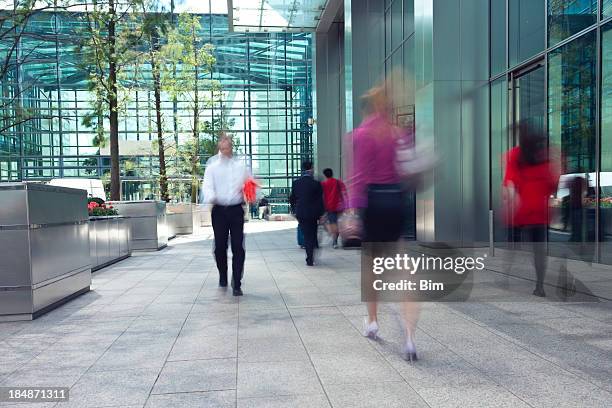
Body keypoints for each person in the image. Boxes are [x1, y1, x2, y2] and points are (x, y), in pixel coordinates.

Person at [344, 81, 420, 361]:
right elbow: (408, 170)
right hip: (396, 202)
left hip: (373, 203)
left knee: (372, 270)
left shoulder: (361, 134)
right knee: (404, 270)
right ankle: (410, 338)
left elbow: (358, 176)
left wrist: (352, 213)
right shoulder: (399, 133)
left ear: (370, 107)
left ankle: (373, 322)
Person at [503, 122, 559, 297]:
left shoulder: (514, 155)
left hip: (519, 211)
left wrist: (510, 198)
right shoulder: (545, 157)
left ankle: (505, 277)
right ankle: (539, 286)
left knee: (512, 246)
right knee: (539, 251)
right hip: (540, 212)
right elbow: (552, 185)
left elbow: (510, 181)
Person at [202, 135, 250, 296]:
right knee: (220, 247)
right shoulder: (212, 168)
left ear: (231, 148)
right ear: (219, 149)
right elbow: (207, 187)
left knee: (238, 247)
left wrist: (249, 192)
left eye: (227, 148)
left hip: (236, 209)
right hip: (219, 211)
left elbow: (248, 184)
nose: (224, 151)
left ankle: (237, 282)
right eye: (222, 148)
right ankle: (223, 274)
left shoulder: (240, 167)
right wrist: (212, 197)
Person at [289, 161, 325, 266]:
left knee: (307, 235)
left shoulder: (296, 183)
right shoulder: (316, 183)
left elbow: (292, 198)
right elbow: (320, 200)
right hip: (313, 213)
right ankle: (310, 256)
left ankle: (310, 256)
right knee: (312, 234)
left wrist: (293, 210)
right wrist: (322, 214)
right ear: (312, 168)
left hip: (301, 212)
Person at [321, 168, 346, 248]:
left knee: (333, 224)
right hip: (339, 207)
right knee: (338, 224)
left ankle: (334, 240)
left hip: (329, 207)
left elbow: (322, 197)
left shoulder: (323, 184)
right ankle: (335, 240)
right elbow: (344, 194)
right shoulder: (339, 182)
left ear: (325, 175)